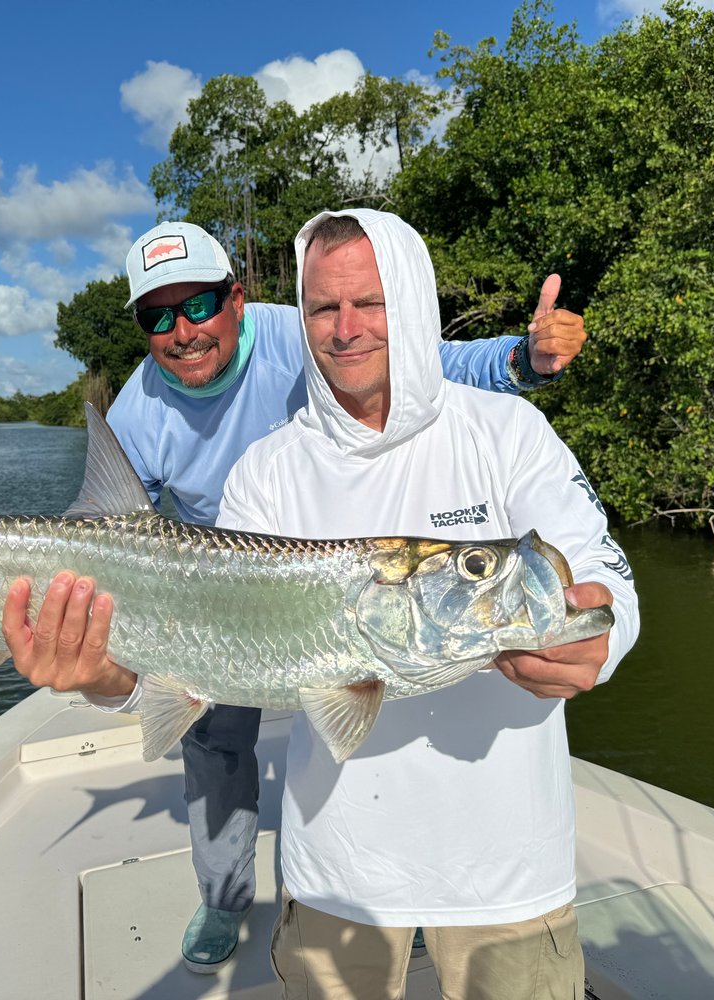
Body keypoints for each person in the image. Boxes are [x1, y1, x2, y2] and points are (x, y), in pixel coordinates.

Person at [1, 219, 589, 974]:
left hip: (322, 556)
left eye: (199, 305)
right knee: (209, 736)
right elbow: (112, 531)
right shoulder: (138, 414)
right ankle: (222, 894)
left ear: (237, 299)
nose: (182, 331)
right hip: (212, 567)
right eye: (156, 316)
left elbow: (423, 359)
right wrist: (120, 663)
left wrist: (523, 361)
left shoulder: (307, 328)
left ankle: (409, 891)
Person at [212, 208, 639, 998]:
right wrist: (115, 675)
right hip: (335, 874)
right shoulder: (264, 472)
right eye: (322, 308)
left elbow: (602, 584)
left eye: (369, 303)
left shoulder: (509, 431)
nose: (345, 330)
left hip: (509, 874)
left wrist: (598, 641)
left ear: (412, 303)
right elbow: (236, 665)